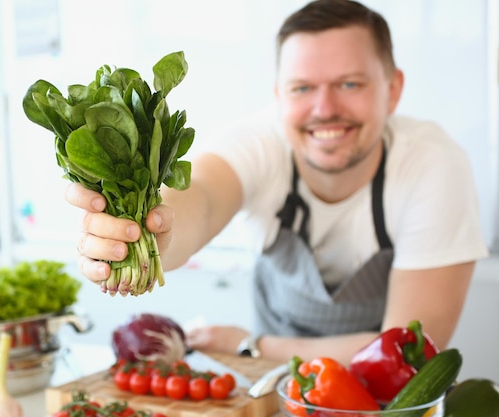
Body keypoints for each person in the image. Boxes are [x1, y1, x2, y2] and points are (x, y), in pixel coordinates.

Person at [65, 0, 488, 364]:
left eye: (349, 84)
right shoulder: (259, 143)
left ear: (393, 89)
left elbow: (411, 352)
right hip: (276, 395)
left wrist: (252, 346)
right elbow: (203, 199)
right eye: (302, 88)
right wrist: (146, 235)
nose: (325, 108)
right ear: (279, 95)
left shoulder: (432, 164)